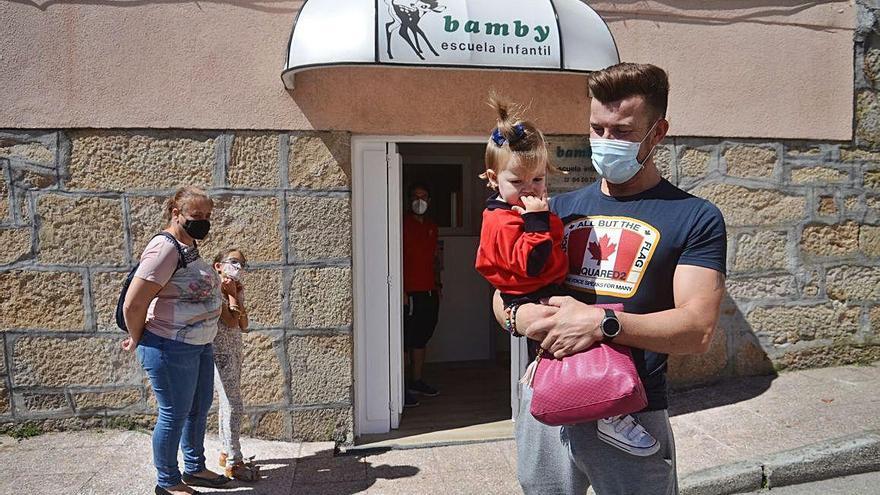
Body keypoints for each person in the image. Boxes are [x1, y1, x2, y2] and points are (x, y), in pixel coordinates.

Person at [493, 63, 727, 494]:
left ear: (657, 133)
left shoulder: (695, 217)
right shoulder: (556, 210)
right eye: (596, 129)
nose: (604, 143)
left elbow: (698, 329)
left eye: (621, 132)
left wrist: (602, 323)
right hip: (547, 400)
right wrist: (522, 320)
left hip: (631, 413)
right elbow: (504, 293)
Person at [476, 94, 660, 457]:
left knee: (583, 335)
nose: (530, 189)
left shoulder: (520, 211)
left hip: (539, 290)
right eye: (518, 181)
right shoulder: (506, 219)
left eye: (539, 179)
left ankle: (544, 373)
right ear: (494, 180)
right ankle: (611, 416)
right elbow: (531, 263)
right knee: (588, 338)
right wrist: (537, 221)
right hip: (533, 293)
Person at [121, 186, 231, 495]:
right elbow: (133, 303)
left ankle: (194, 468)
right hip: (170, 346)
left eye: (208, 215)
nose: (204, 221)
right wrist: (135, 336)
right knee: (173, 414)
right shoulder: (165, 248)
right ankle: (168, 482)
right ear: (176, 214)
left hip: (196, 345)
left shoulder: (188, 244)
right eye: (197, 216)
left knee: (198, 407)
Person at [212, 248, 260, 481]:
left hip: (234, 351)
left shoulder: (235, 289)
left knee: (227, 403)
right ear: (218, 266)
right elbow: (231, 321)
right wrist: (231, 295)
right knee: (234, 405)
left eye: (242, 264)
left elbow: (244, 324)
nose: (238, 267)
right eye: (233, 262)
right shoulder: (214, 289)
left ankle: (226, 451)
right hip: (219, 353)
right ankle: (234, 461)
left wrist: (237, 296)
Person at [402, 183, 443, 407]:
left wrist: (437, 285)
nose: (420, 201)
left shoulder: (431, 226)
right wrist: (402, 291)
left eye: (424, 196)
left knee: (422, 338)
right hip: (409, 294)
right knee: (405, 341)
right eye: (416, 196)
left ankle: (416, 381)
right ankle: (400, 387)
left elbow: (434, 259)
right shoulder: (401, 224)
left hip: (429, 291)